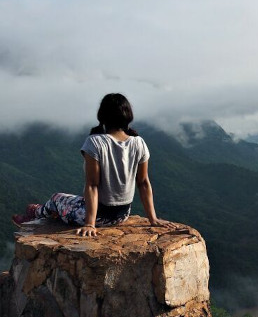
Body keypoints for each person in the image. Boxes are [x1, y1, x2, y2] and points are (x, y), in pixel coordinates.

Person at [12, 93, 174, 236]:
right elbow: (144, 183)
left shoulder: (95, 142)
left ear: (102, 116)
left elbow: (92, 185)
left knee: (56, 198)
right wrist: (153, 218)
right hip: (121, 215)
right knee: (72, 199)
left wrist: (89, 223)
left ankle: (36, 214)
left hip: (98, 217)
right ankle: (41, 211)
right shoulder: (138, 142)